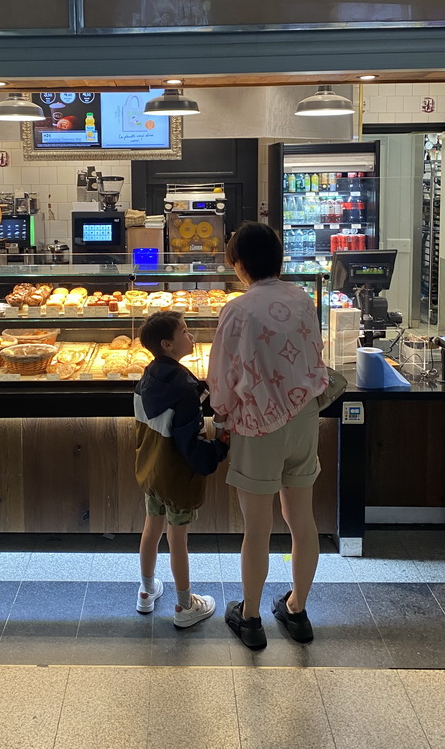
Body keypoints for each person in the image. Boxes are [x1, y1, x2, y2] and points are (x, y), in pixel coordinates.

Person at [207, 222, 329, 649]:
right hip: (304, 418)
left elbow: (221, 378)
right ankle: (297, 609)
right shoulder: (303, 298)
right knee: (302, 521)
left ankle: (252, 616)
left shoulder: (238, 310)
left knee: (257, 527)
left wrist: (220, 417)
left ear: (240, 264)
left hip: (259, 424)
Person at [134, 310, 229, 627]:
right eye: (185, 332)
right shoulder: (185, 390)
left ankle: (147, 592)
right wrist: (220, 447)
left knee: (151, 529)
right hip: (176, 476)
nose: (191, 337)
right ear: (167, 344)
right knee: (178, 540)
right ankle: (185, 605)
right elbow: (192, 446)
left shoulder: (147, 377)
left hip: (152, 470)